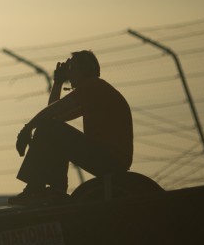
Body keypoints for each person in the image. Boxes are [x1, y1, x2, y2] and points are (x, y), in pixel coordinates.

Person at [9, 50, 133, 206]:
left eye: (72, 68)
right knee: (51, 129)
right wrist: (58, 82)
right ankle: (53, 189)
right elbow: (53, 116)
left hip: (110, 159)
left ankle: (38, 188)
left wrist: (27, 129)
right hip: (109, 159)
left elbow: (52, 115)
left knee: (50, 129)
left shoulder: (93, 87)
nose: (69, 73)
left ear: (83, 70)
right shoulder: (93, 92)